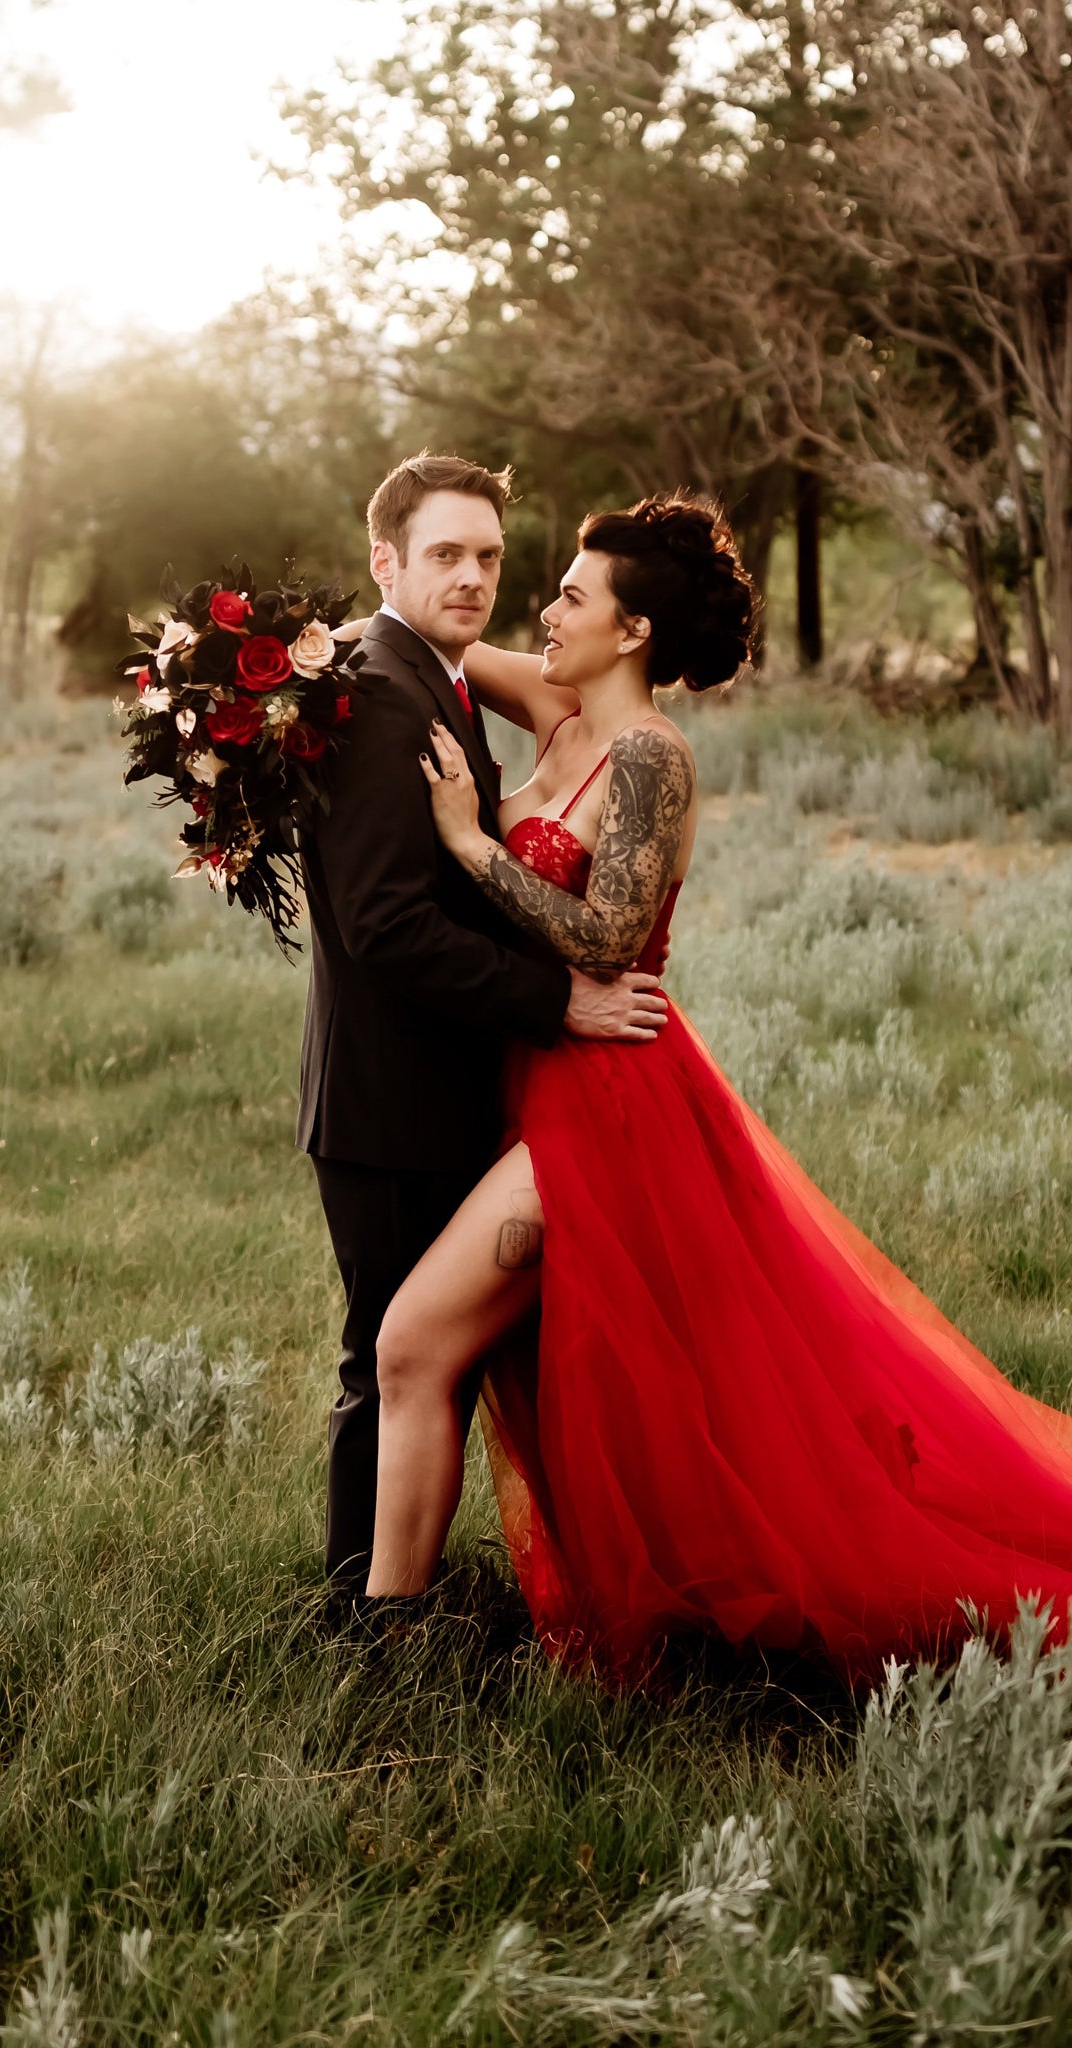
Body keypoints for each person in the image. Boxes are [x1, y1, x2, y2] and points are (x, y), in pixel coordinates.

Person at [367, 489, 1072, 1701]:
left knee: (416, 1339)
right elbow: (436, 647)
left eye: (571, 593)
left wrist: (469, 845)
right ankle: (444, 1620)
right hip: (543, 1082)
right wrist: (314, 659)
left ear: (631, 633)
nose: (543, 606)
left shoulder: (652, 756)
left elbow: (608, 933)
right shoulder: (560, 706)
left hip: (610, 1098)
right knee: (589, 1378)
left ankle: (384, 1642)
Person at [298, 452, 667, 1601]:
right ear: (386, 560)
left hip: (473, 1084)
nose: (473, 577)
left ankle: (426, 1590)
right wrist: (560, 1001)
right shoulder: (376, 688)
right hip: (390, 1091)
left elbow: (586, 682)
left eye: (491, 556)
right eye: (445, 554)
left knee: (450, 1356)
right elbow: (387, 927)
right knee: (396, 1355)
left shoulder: (441, 671)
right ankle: (364, 1612)